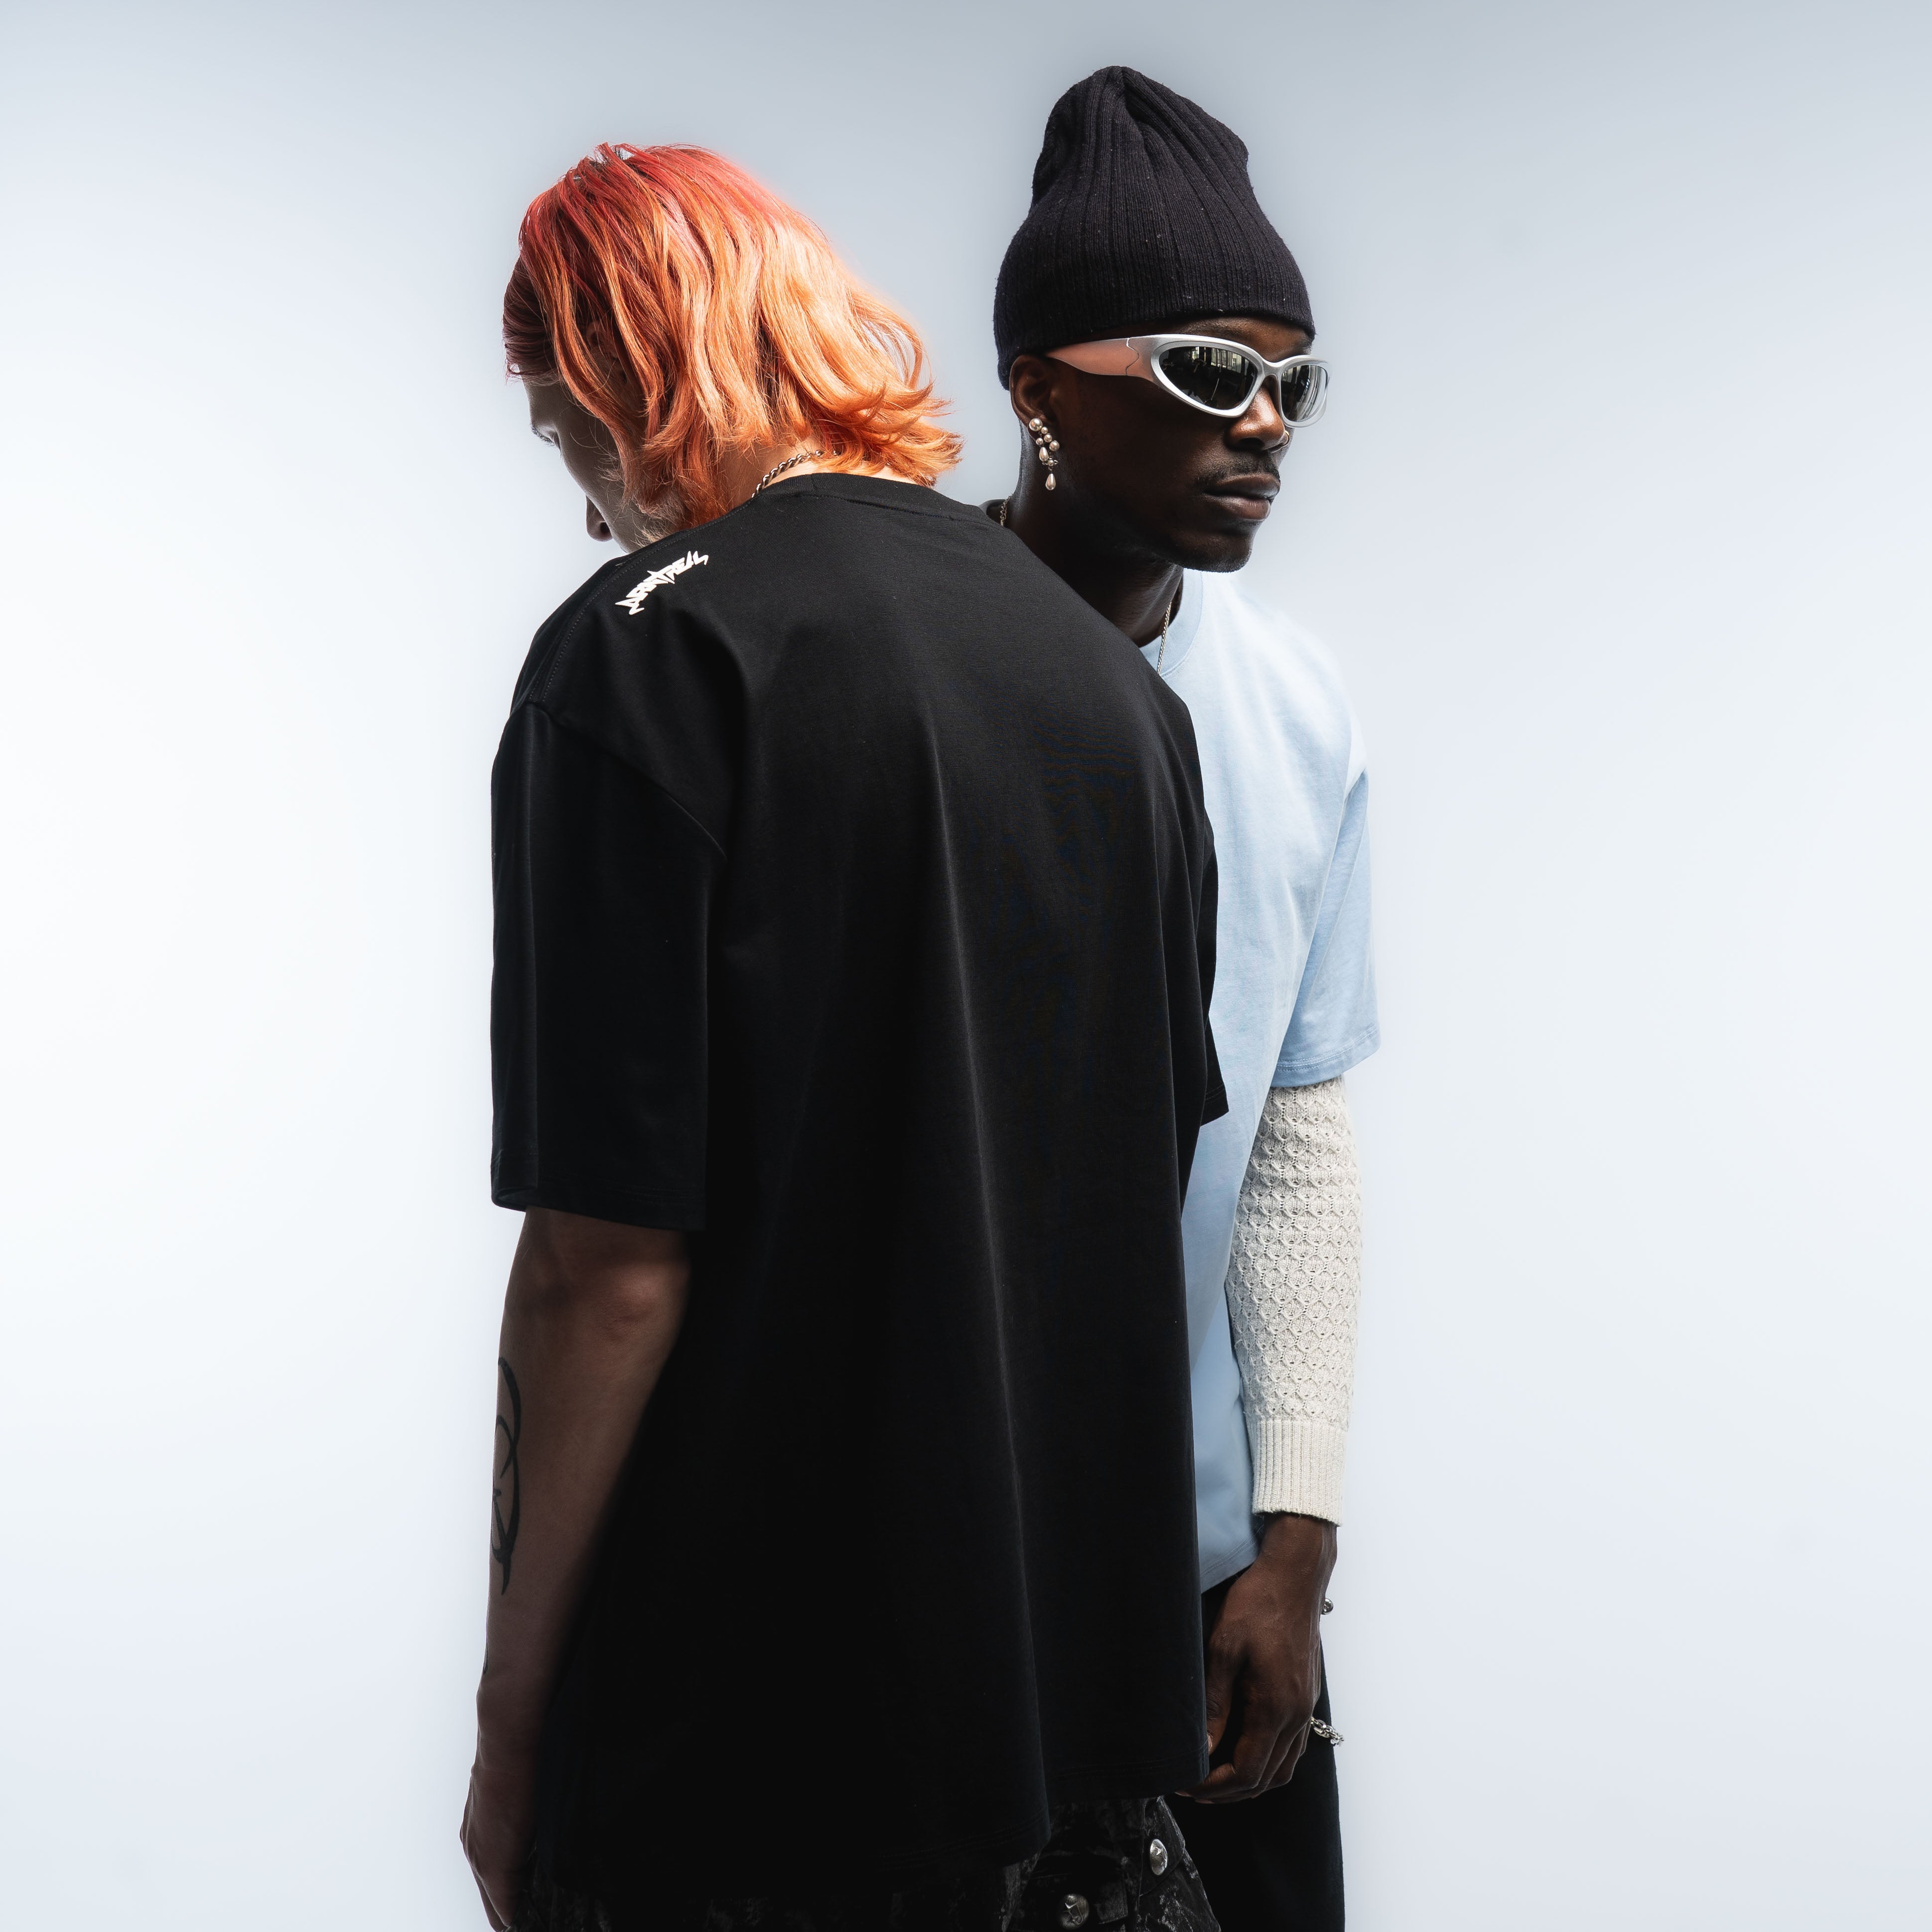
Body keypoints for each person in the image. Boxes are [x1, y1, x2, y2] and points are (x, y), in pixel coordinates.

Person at [460, 142, 1231, 1932]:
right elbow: (1146, 1174)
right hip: (1072, 1753)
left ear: (621, 374)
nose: (590, 512)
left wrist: (511, 1728)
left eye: (567, 436)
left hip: (756, 1759)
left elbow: (604, 1270)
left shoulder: (647, 656)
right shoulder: (1117, 692)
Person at [988, 70, 1380, 1932]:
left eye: (1293, 382)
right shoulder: (890, 670)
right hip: (927, 1558)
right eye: (1212, 373)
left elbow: (1296, 1138)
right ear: (1041, 389)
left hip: (1204, 1564)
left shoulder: (1298, 709)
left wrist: (1291, 1548)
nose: (1267, 424)